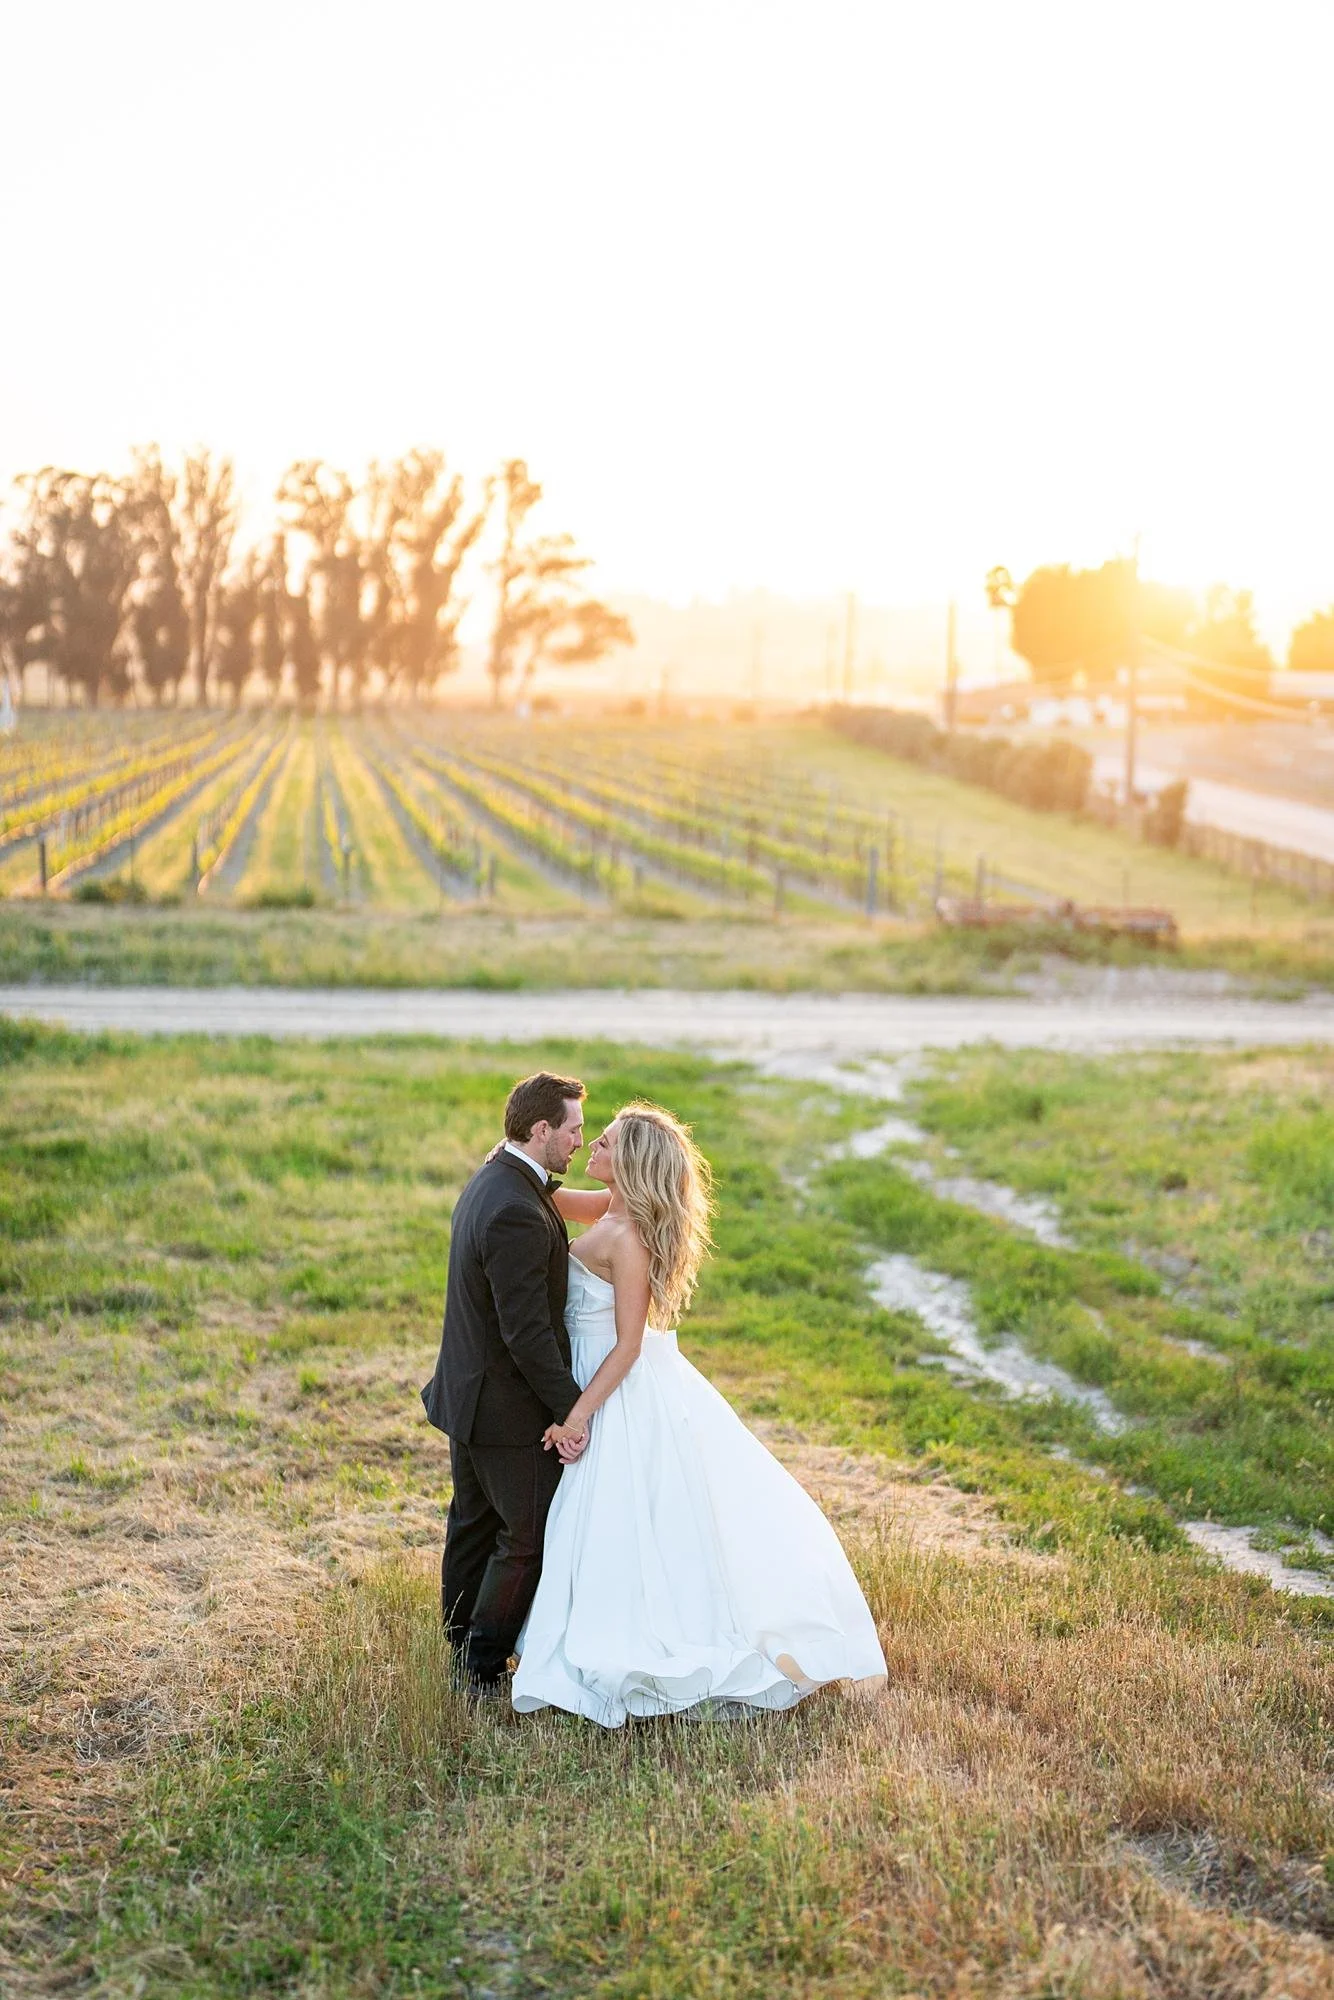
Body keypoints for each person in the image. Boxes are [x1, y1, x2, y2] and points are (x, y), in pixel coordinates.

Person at [512, 1101, 887, 1725]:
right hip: (590, 1372)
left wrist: (577, 1417)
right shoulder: (607, 1209)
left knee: (615, 1513)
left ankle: (639, 1639)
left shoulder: (627, 1239)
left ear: (628, 1163)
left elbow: (629, 1344)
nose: (591, 1149)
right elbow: (543, 1199)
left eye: (602, 1144)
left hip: (613, 1385)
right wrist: (510, 1163)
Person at [421, 1071, 589, 1696]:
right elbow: (527, 1334)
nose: (579, 1141)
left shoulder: (496, 1180)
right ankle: (480, 1667)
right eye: (573, 1130)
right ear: (540, 1129)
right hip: (502, 1411)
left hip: (468, 1397)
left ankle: (461, 1644)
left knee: (471, 1524)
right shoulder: (517, 1210)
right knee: (524, 1538)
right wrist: (572, 1410)